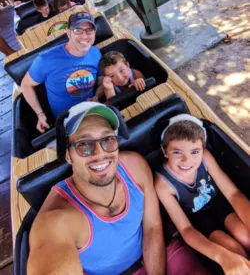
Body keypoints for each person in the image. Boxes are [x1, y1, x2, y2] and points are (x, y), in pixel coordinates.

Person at [27, 101, 211, 275]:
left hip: (156, 256)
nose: (100, 153)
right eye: (84, 145)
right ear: (68, 155)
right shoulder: (56, 221)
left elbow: (152, 227)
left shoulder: (135, 166)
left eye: (108, 140)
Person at [155, 114, 250, 275]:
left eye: (194, 152)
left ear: (203, 149)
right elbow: (186, 229)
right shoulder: (163, 184)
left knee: (246, 237)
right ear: (165, 150)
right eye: (177, 152)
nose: (187, 160)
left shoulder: (205, 158)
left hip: (220, 204)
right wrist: (222, 257)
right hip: (200, 219)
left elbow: (233, 193)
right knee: (234, 252)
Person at [21, 12, 104, 133]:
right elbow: (26, 85)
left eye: (89, 30)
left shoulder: (95, 53)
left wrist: (97, 96)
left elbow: (101, 81)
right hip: (66, 120)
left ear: (94, 33)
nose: (84, 36)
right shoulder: (45, 60)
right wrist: (40, 114)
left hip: (93, 111)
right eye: (78, 30)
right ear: (68, 32)